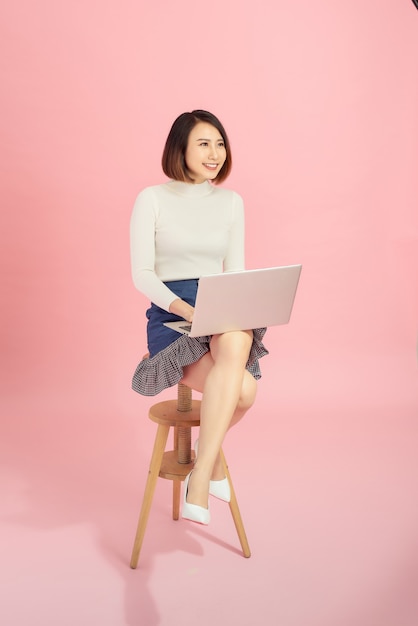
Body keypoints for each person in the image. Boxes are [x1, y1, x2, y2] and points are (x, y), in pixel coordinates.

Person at [130, 109, 268, 525]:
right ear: (181, 149)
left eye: (220, 143)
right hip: (171, 312)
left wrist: (237, 305)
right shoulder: (152, 198)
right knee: (243, 391)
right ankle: (211, 471)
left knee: (237, 337)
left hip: (220, 304)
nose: (215, 153)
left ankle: (199, 475)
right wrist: (185, 308)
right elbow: (142, 274)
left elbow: (235, 271)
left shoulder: (231, 202)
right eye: (204, 144)